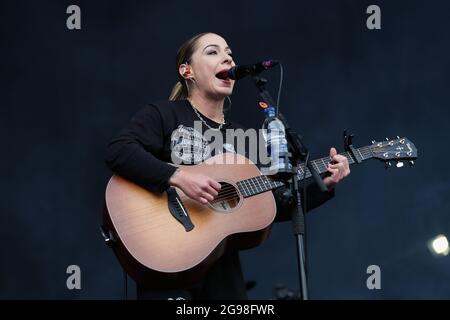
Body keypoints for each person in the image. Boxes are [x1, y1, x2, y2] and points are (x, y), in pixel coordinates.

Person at [105, 32, 350, 300]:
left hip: (222, 269)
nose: (228, 57)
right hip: (168, 260)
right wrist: (177, 176)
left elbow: (271, 202)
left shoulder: (242, 139)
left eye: (229, 52)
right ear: (187, 71)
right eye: (213, 52)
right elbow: (119, 151)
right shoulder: (164, 114)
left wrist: (321, 184)